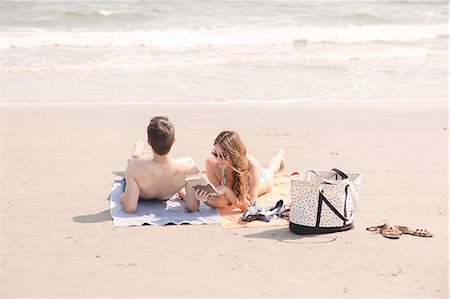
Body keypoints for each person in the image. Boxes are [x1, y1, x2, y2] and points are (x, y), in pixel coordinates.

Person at [120, 116, 200, 213]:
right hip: (169, 188)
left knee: (134, 159)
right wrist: (186, 196)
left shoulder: (134, 166)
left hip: (144, 188)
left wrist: (122, 197)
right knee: (139, 160)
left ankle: (138, 153)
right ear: (174, 141)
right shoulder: (189, 166)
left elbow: (130, 208)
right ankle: (140, 154)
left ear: (149, 142)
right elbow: (193, 207)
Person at [194, 130, 285, 211]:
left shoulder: (252, 165)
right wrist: (206, 200)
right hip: (245, 172)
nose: (218, 159)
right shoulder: (211, 163)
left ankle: (280, 155)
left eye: (223, 155)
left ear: (234, 154)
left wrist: (227, 191)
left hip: (262, 179)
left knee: (270, 171)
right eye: (215, 154)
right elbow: (222, 202)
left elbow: (249, 205)